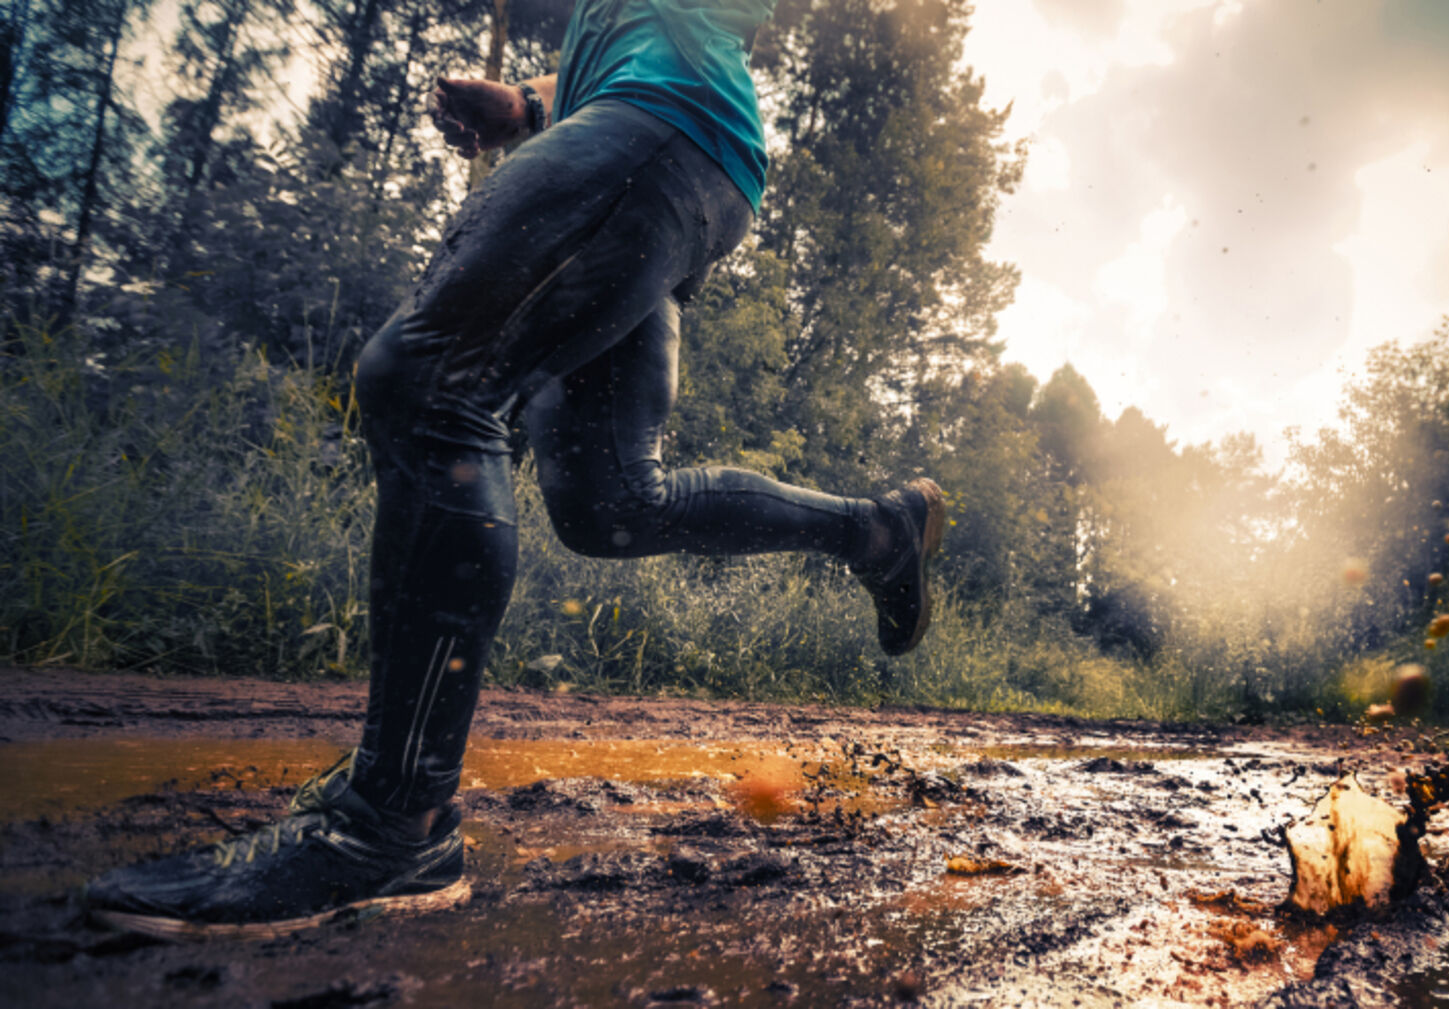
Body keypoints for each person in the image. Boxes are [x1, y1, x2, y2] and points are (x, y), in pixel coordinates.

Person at [83, 0, 946, 940]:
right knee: (609, 502)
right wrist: (529, 107)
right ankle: (876, 531)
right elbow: (611, 50)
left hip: (663, 131)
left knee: (430, 382)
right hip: (667, 151)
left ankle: (390, 822)